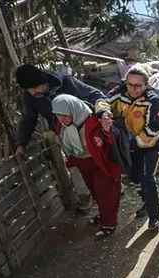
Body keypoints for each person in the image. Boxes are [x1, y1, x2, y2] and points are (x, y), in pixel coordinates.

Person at [15, 64, 112, 212]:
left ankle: (112, 185)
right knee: (75, 165)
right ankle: (85, 197)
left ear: (43, 81)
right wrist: (21, 143)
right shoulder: (31, 96)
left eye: (35, 87)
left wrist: (102, 111)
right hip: (64, 134)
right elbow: (28, 119)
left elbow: (94, 94)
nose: (33, 92)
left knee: (98, 159)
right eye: (29, 89)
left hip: (86, 130)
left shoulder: (65, 82)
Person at [51, 94, 122, 239]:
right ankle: (103, 216)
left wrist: (107, 131)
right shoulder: (61, 124)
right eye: (58, 115)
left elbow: (110, 139)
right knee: (95, 192)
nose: (62, 119)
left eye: (65, 115)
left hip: (101, 163)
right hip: (83, 162)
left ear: (74, 110)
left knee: (105, 193)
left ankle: (109, 224)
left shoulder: (94, 119)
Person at [105, 65, 159, 231]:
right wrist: (103, 113)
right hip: (129, 145)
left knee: (147, 179)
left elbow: (153, 129)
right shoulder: (120, 91)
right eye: (129, 84)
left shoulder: (154, 101)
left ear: (147, 85)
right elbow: (104, 101)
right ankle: (147, 203)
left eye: (138, 85)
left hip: (150, 146)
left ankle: (154, 217)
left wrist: (130, 144)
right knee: (134, 178)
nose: (132, 89)